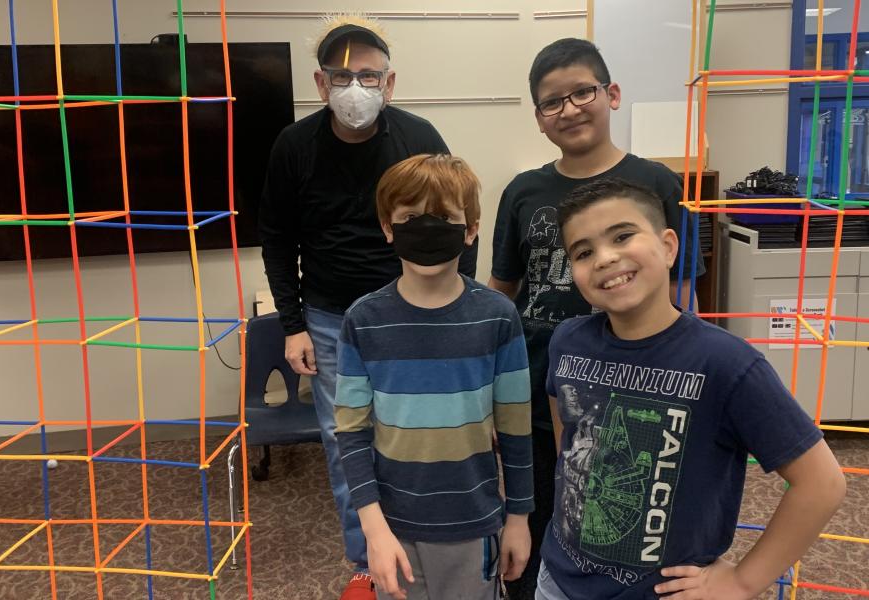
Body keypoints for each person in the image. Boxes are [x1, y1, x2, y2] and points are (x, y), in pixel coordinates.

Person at [535, 177, 845, 600]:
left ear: (667, 246)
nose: (605, 258)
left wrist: (742, 581)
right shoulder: (567, 341)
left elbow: (822, 483)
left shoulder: (727, 363)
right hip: (559, 581)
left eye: (622, 236)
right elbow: (568, 440)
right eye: (584, 252)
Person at [258, 16, 476, 598]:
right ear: (321, 82)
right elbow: (278, 239)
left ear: (391, 81)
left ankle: (429, 546)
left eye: (370, 76)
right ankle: (366, 561)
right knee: (345, 439)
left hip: (414, 309)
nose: (357, 87)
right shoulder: (293, 145)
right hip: (331, 320)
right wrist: (293, 325)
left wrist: (463, 308)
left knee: (426, 430)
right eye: (343, 75)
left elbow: (455, 216)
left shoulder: (418, 134)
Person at [489, 37, 705, 598]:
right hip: (538, 395)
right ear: (538, 119)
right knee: (533, 529)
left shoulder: (655, 182)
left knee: (620, 530)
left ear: (611, 94)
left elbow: (683, 295)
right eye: (552, 102)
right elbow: (502, 295)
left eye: (582, 92)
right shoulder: (523, 192)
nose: (570, 108)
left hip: (635, 394)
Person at [333, 153, 532, 600]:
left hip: (473, 521)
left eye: (443, 216)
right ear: (388, 227)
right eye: (410, 217)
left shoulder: (498, 317)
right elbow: (351, 433)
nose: (427, 228)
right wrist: (373, 529)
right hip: (393, 527)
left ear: (471, 228)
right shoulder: (362, 321)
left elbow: (516, 428)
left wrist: (518, 518)